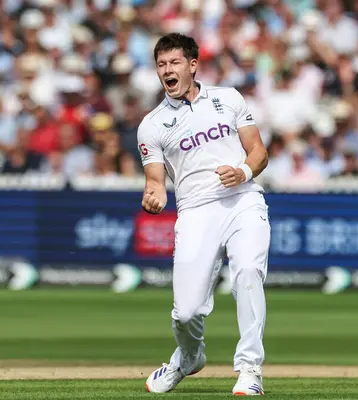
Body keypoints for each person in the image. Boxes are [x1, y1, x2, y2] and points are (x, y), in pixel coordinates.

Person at [137, 33, 271, 396]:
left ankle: (249, 369)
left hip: (243, 200)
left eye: (175, 63)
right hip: (196, 211)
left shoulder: (228, 99)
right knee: (186, 312)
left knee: (247, 272)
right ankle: (189, 357)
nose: (168, 70)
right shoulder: (151, 124)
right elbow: (154, 180)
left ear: (193, 65)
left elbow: (258, 151)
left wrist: (242, 171)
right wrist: (154, 194)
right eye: (161, 64)